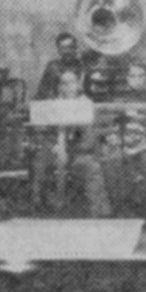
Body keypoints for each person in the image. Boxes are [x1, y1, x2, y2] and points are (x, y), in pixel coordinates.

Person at [99, 62, 146, 224]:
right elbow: (108, 127)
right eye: (133, 76)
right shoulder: (117, 101)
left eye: (141, 76)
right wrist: (112, 137)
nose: (137, 79)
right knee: (112, 160)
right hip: (122, 144)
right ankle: (120, 211)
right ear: (127, 78)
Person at [29, 68, 109, 216]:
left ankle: (97, 215)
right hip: (54, 151)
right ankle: (38, 208)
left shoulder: (86, 106)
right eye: (63, 83)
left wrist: (70, 150)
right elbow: (41, 133)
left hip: (78, 153)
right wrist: (54, 146)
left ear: (78, 85)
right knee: (39, 163)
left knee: (92, 167)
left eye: (71, 82)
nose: (67, 87)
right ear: (59, 87)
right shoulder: (51, 106)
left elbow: (89, 139)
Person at [35, 32, 90, 100]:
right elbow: (42, 93)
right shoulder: (53, 68)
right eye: (63, 48)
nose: (67, 51)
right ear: (58, 50)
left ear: (75, 48)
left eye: (70, 47)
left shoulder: (83, 67)